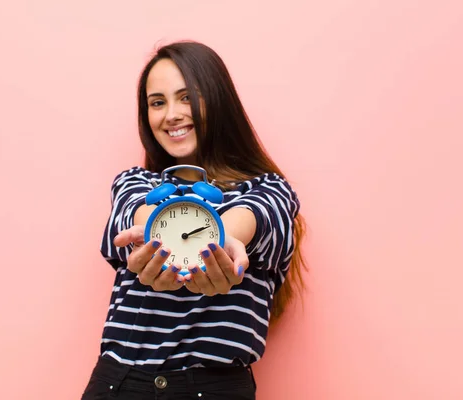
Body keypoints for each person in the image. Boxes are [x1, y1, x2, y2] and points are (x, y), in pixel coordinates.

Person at [81, 41, 307, 400]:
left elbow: (252, 217)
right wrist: (150, 234)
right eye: (157, 102)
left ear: (219, 101)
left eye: (187, 97)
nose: (171, 114)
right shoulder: (137, 182)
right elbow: (132, 213)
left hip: (211, 389)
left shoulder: (270, 190)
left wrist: (221, 242)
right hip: (119, 384)